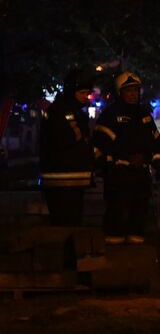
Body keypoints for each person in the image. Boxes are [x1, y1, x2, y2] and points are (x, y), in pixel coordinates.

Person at [92, 71, 160, 244]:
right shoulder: (110, 116)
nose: (133, 94)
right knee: (116, 216)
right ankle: (112, 254)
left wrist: (159, 165)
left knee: (139, 215)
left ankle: (135, 257)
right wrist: (109, 166)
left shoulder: (145, 116)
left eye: (136, 90)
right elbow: (100, 146)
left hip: (140, 176)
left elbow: (155, 143)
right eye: (129, 90)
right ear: (120, 93)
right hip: (119, 176)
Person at [40, 67, 98, 225]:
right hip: (61, 178)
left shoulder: (75, 112)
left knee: (73, 221)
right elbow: (71, 139)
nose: (85, 98)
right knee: (64, 222)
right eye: (82, 93)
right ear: (71, 91)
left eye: (87, 93)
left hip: (73, 178)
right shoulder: (60, 111)